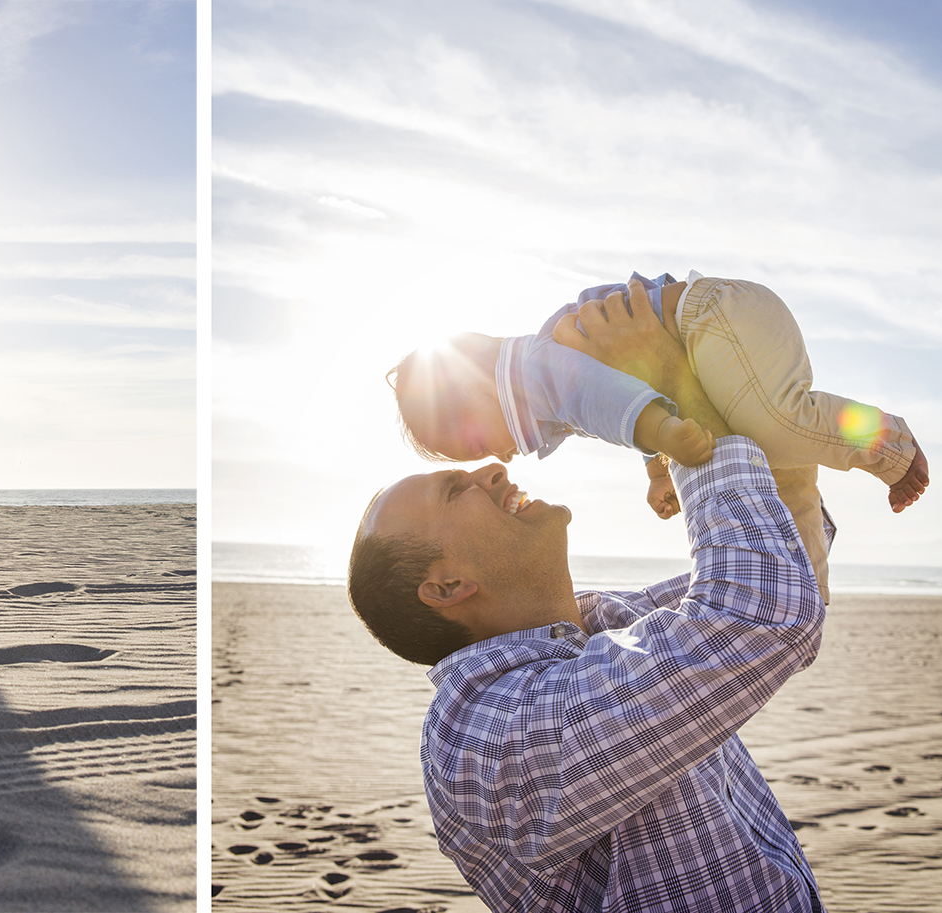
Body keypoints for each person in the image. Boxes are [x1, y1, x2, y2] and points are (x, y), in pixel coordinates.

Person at [348, 299, 826, 911]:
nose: (490, 469)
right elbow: (764, 611)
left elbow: (790, 573)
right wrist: (679, 389)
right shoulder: (479, 738)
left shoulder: (608, 624)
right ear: (445, 587)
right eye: (454, 489)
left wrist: (758, 418)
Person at [389, 272, 928, 603]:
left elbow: (620, 404)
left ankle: (886, 442)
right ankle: (806, 588)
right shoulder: (551, 386)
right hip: (710, 356)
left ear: (474, 387)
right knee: (777, 479)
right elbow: (622, 403)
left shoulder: (538, 368)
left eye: (481, 442)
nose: (502, 456)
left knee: (778, 427)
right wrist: (655, 466)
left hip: (711, 317)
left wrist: (667, 435)